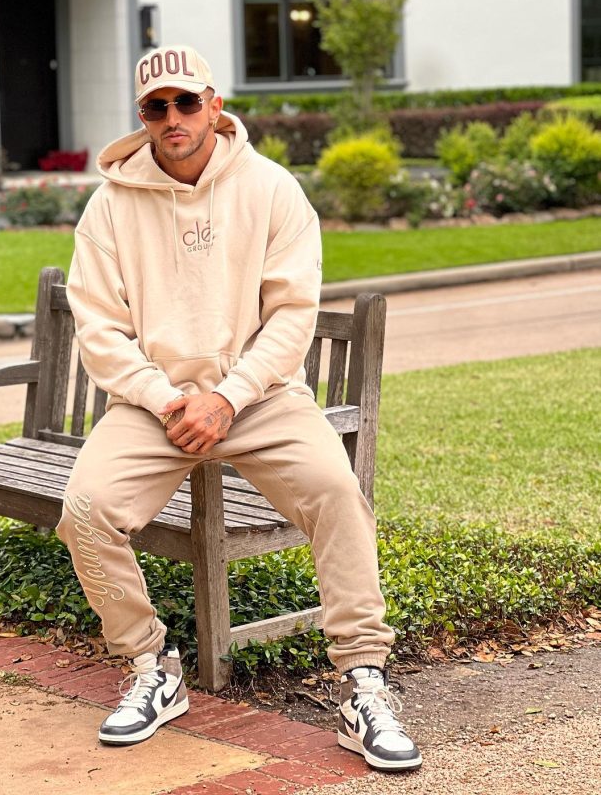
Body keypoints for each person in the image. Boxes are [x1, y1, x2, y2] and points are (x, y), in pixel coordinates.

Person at [55, 44, 421, 771]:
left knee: (336, 494)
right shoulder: (108, 206)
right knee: (85, 511)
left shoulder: (271, 188)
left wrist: (226, 397)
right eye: (156, 107)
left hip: (259, 396)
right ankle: (153, 666)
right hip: (152, 402)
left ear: (214, 106)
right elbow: (97, 327)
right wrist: (168, 398)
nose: (172, 118)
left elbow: (291, 317)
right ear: (142, 117)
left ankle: (363, 683)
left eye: (186, 102)